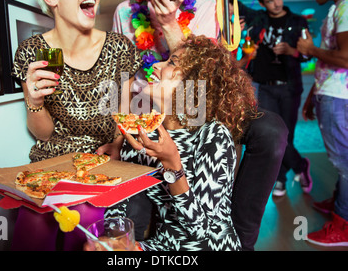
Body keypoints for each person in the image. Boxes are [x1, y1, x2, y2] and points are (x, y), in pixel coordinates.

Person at [101, 0, 288, 251]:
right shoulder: (124, 12)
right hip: (146, 112)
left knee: (271, 129)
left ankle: (239, 243)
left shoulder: (205, 6)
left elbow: (199, 82)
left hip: (195, 110)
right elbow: (121, 79)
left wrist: (169, 23)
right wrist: (117, 136)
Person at [10, 0, 142, 250]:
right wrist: (34, 101)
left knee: (83, 218)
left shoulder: (119, 47)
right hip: (51, 164)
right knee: (33, 221)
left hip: (100, 163)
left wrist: (118, 145)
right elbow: (42, 133)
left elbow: (124, 114)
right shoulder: (33, 52)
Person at [106, 34, 257, 250]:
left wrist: (173, 165)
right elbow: (119, 202)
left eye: (172, 62)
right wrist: (115, 241)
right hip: (163, 247)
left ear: (193, 84)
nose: (155, 66)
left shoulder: (213, 136)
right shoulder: (140, 134)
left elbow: (200, 230)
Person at [238, 0, 312, 197]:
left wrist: (292, 51)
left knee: (287, 136)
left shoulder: (298, 22)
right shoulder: (258, 19)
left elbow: (308, 54)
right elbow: (232, 3)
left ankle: (281, 177)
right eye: (270, 1)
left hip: (289, 87)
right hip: (266, 87)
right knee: (274, 135)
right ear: (262, 3)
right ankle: (298, 167)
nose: (277, 4)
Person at [297, 0, 348, 248]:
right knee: (341, 158)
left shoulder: (345, 7)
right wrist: (313, 96)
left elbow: (344, 57)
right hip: (330, 93)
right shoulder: (339, 7)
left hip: (339, 97)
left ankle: (342, 223)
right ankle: (339, 202)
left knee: (344, 162)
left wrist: (310, 49)